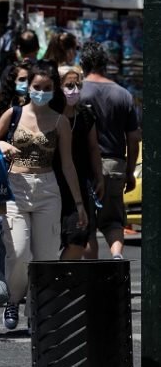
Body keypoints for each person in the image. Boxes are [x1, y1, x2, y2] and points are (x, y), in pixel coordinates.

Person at [0, 60, 87, 330]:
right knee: (19, 251)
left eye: (46, 87)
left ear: (54, 88)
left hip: (47, 188)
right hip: (15, 186)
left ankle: (37, 308)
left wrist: (79, 204)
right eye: (36, 86)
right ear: (28, 86)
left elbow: (67, 164)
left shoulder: (60, 121)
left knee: (45, 256)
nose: (41, 91)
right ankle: (14, 298)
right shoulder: (14, 113)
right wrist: (2, 143)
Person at [79, 41, 141, 260]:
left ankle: (92, 276)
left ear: (82, 63)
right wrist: (129, 171)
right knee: (113, 221)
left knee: (87, 226)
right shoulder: (123, 94)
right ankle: (116, 258)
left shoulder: (79, 92)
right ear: (106, 64)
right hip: (115, 165)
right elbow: (133, 139)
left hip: (85, 166)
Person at [54, 66, 104, 260]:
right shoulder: (50, 114)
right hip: (53, 183)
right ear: (58, 87)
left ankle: (59, 277)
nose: (74, 89)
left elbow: (93, 148)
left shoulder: (85, 115)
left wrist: (99, 177)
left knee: (79, 236)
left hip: (80, 184)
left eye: (77, 85)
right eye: (69, 85)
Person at [0, 61, 30, 130]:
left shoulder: (32, 106)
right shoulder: (1, 101)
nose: (26, 83)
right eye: (22, 79)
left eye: (29, 80)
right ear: (13, 81)